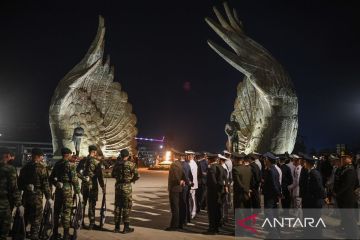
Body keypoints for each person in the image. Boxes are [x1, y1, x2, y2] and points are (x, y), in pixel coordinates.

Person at [18, 148, 52, 240]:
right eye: (41, 156)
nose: (42, 158)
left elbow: (19, 184)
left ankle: (22, 234)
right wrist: (49, 197)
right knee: (37, 217)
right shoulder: (42, 168)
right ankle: (34, 235)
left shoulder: (25, 167)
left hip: (26, 196)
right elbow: (45, 184)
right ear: (37, 156)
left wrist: (26, 187)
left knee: (25, 215)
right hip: (37, 196)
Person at [49, 147, 81, 240]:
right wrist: (78, 192)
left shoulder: (57, 164)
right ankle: (66, 235)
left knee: (57, 211)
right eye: (71, 154)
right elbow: (74, 180)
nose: (71, 156)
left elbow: (51, 178)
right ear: (68, 154)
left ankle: (55, 233)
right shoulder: (70, 165)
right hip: (67, 190)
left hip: (59, 190)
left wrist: (56, 183)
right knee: (67, 212)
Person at [77, 145, 105, 229]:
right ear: (94, 152)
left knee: (83, 203)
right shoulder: (96, 162)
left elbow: (77, 172)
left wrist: (83, 178)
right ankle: (91, 224)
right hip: (93, 185)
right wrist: (103, 187)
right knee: (92, 204)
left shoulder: (83, 161)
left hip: (84, 185)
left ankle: (80, 222)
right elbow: (100, 176)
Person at [112, 149, 139, 233]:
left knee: (117, 206)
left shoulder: (116, 164)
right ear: (127, 156)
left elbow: (112, 175)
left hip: (118, 187)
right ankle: (126, 227)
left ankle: (116, 227)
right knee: (126, 206)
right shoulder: (131, 164)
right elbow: (137, 176)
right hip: (126, 187)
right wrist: (131, 180)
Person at [333, 155, 359, 239]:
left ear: (350, 159)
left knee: (350, 219)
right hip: (343, 198)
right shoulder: (344, 168)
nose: (342, 159)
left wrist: (337, 193)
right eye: (342, 158)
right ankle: (349, 235)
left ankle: (354, 236)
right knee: (346, 218)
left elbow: (346, 185)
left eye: (345, 158)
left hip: (347, 198)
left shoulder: (350, 170)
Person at [0, 147, 23, 240]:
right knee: (3, 231)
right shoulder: (9, 169)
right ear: (7, 156)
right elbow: (14, 188)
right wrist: (19, 204)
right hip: (3, 203)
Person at [262, 152, 281, 239]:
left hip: (270, 196)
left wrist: (278, 194)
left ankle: (275, 235)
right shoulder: (274, 169)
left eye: (265, 159)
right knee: (273, 215)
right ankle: (273, 233)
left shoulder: (271, 171)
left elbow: (274, 184)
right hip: (272, 196)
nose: (264, 161)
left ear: (268, 161)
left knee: (269, 215)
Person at [166, 150, 186, 231]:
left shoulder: (174, 165)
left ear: (175, 156)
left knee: (175, 207)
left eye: (173, 155)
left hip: (174, 188)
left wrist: (179, 181)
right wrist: (183, 180)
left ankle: (174, 225)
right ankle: (179, 223)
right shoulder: (180, 164)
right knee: (178, 206)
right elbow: (184, 175)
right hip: (179, 188)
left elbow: (175, 177)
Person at [205, 153, 224, 234]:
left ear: (210, 160)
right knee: (217, 211)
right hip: (219, 192)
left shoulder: (211, 168)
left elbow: (213, 182)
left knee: (212, 211)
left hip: (212, 193)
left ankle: (212, 229)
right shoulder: (220, 166)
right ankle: (216, 227)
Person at [179, 153, 193, 227]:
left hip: (183, 187)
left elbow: (183, 176)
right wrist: (190, 184)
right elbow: (191, 176)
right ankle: (188, 219)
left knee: (182, 204)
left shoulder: (181, 165)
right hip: (187, 187)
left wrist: (185, 181)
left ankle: (182, 222)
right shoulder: (187, 164)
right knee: (186, 203)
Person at [185, 150, 198, 219]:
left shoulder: (192, 164)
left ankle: (192, 213)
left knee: (191, 199)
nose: (187, 157)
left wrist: (189, 183)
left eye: (188, 155)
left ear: (191, 156)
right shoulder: (192, 163)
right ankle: (193, 212)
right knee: (192, 199)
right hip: (192, 184)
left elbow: (190, 176)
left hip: (191, 185)